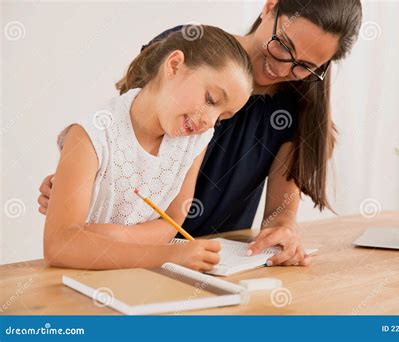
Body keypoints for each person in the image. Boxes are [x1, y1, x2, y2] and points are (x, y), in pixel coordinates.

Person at [39, 0, 363, 267]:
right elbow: (123, 131)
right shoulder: (190, 47)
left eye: (304, 66)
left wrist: (285, 232)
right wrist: (81, 177)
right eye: (282, 46)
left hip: (213, 262)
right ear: (270, 7)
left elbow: (279, 215)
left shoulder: (294, 108)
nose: (281, 70)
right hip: (124, 251)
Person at [43, 26, 253, 271]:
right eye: (211, 100)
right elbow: (60, 246)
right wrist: (168, 255)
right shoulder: (91, 135)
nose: (209, 121)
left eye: (221, 117)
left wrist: (104, 236)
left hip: (142, 278)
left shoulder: (195, 139)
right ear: (174, 65)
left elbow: (174, 220)